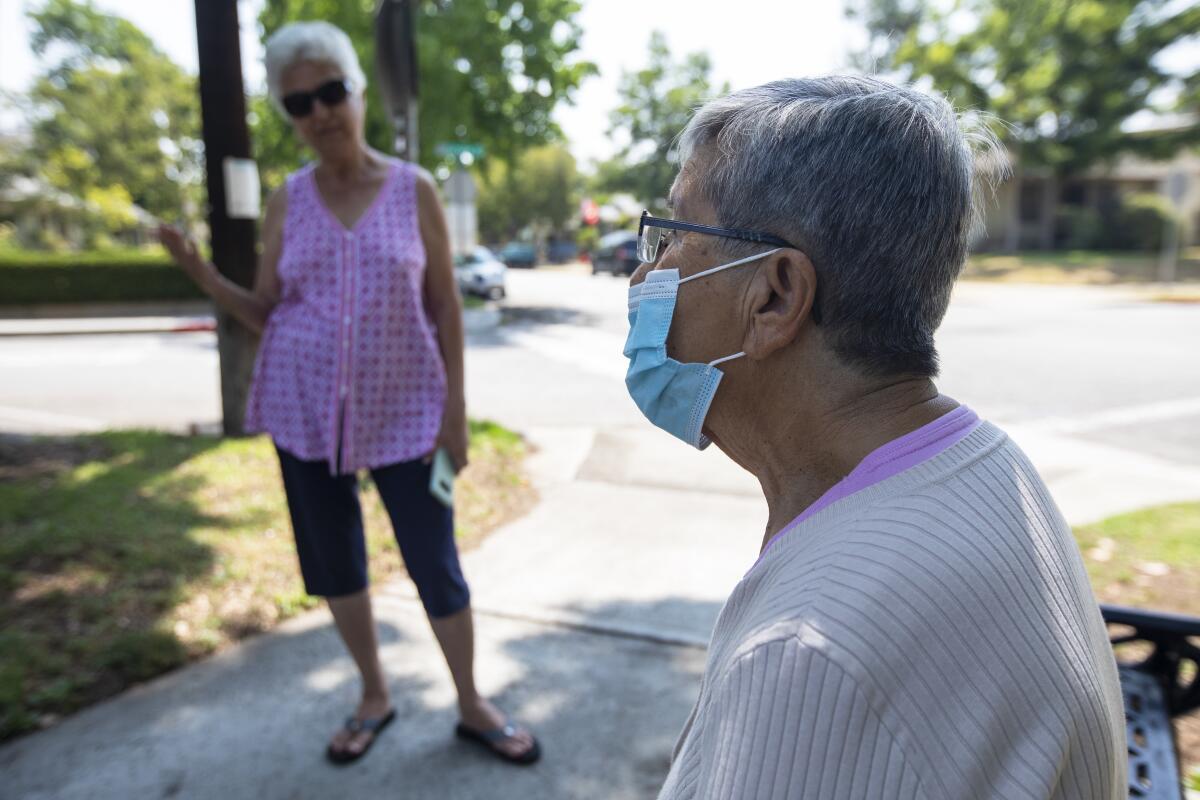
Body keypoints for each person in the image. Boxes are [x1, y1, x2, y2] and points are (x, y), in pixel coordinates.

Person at [624, 76, 1126, 799]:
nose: (647, 273)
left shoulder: (814, 654)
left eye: (675, 236)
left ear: (774, 295)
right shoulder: (986, 466)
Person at [159, 21, 538, 767]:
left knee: (435, 563)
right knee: (336, 565)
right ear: (290, 116)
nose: (321, 112)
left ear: (356, 92)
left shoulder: (413, 188)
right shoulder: (286, 200)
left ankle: (469, 700)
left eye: (331, 92)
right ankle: (374, 693)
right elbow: (267, 312)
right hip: (304, 415)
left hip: (407, 413)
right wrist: (203, 276)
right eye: (301, 103)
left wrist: (453, 415)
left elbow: (446, 308)